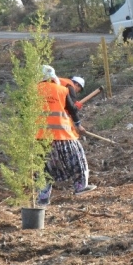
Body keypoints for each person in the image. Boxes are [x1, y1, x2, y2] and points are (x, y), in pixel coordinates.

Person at [37, 65, 96, 205]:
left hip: (40, 136)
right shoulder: (63, 90)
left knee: (43, 167)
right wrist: (78, 125)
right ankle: (80, 186)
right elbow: (72, 110)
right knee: (77, 159)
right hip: (62, 135)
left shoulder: (32, 90)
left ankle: (43, 197)